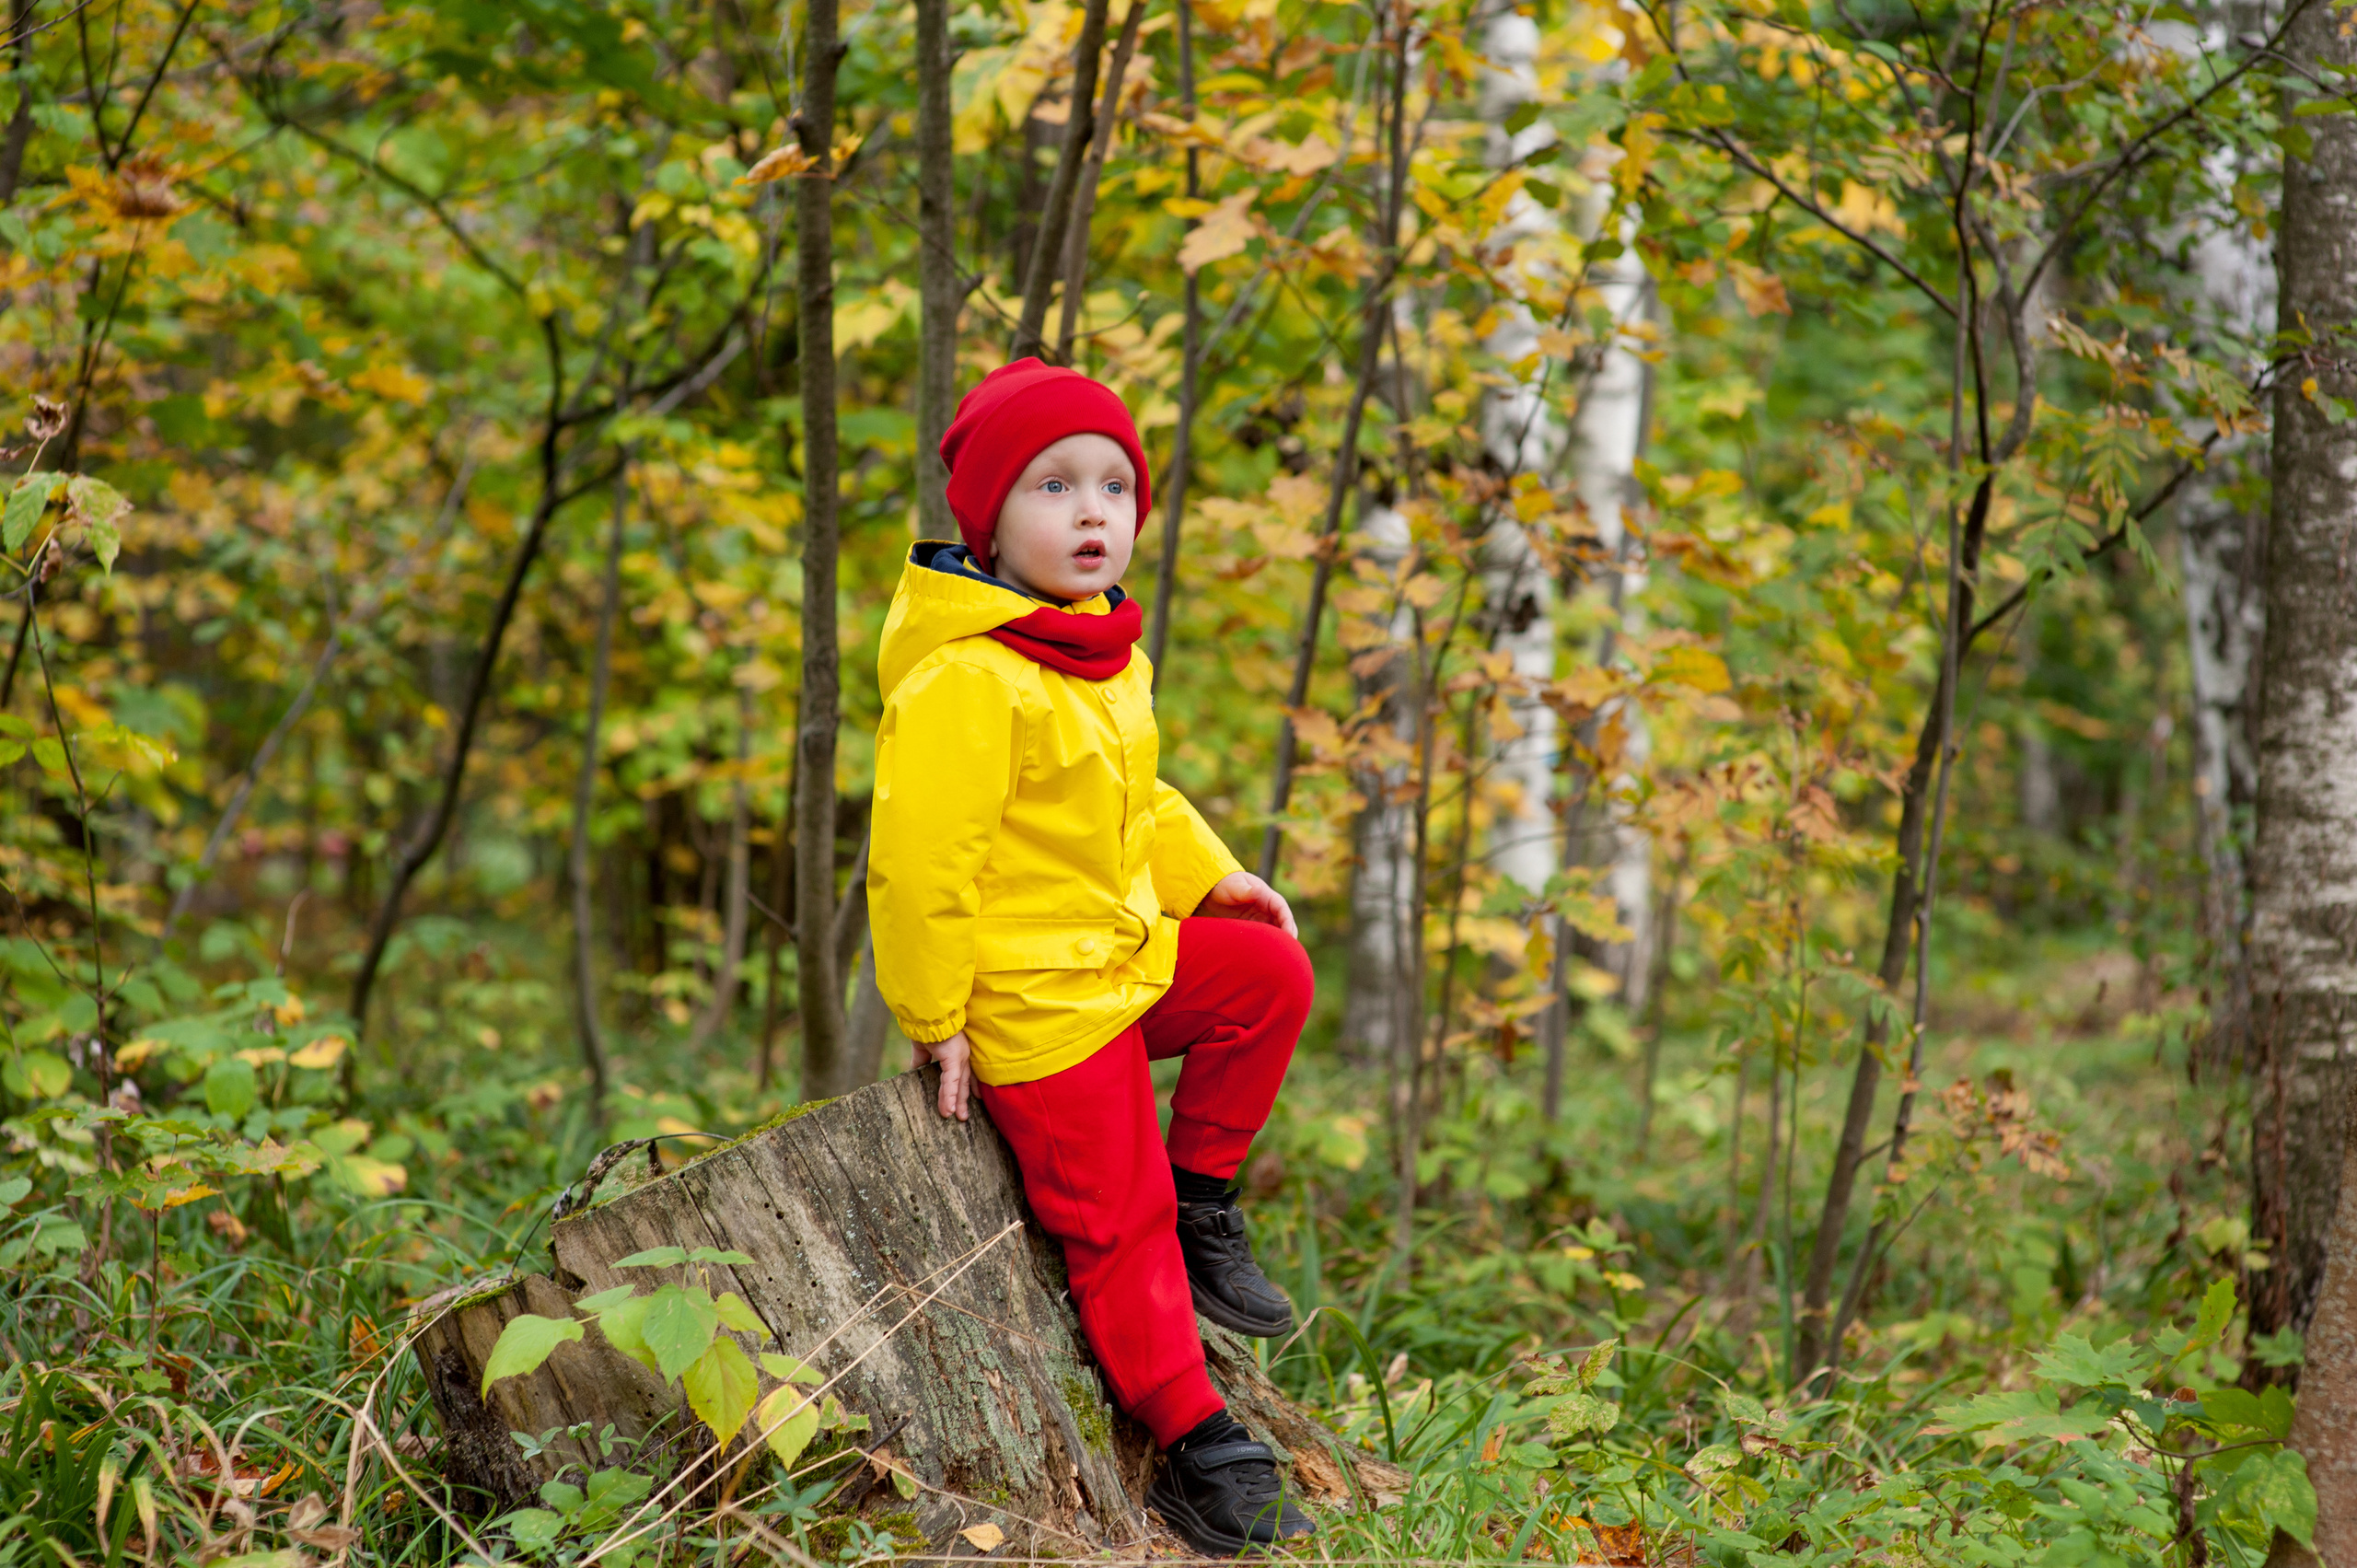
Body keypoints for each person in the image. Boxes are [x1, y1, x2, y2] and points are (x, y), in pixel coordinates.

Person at [868, 357, 1316, 1554]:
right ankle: (1193, 1439)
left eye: (1114, 486)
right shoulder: (970, 676)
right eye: (1052, 485)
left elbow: (1135, 798)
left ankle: (1206, 1199)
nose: (1090, 512)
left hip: (1114, 957)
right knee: (1114, 1224)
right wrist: (937, 1012)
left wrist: (1209, 875)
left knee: (1267, 974)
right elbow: (921, 865)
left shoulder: (1100, 648)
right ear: (988, 518)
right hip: (1034, 1006)